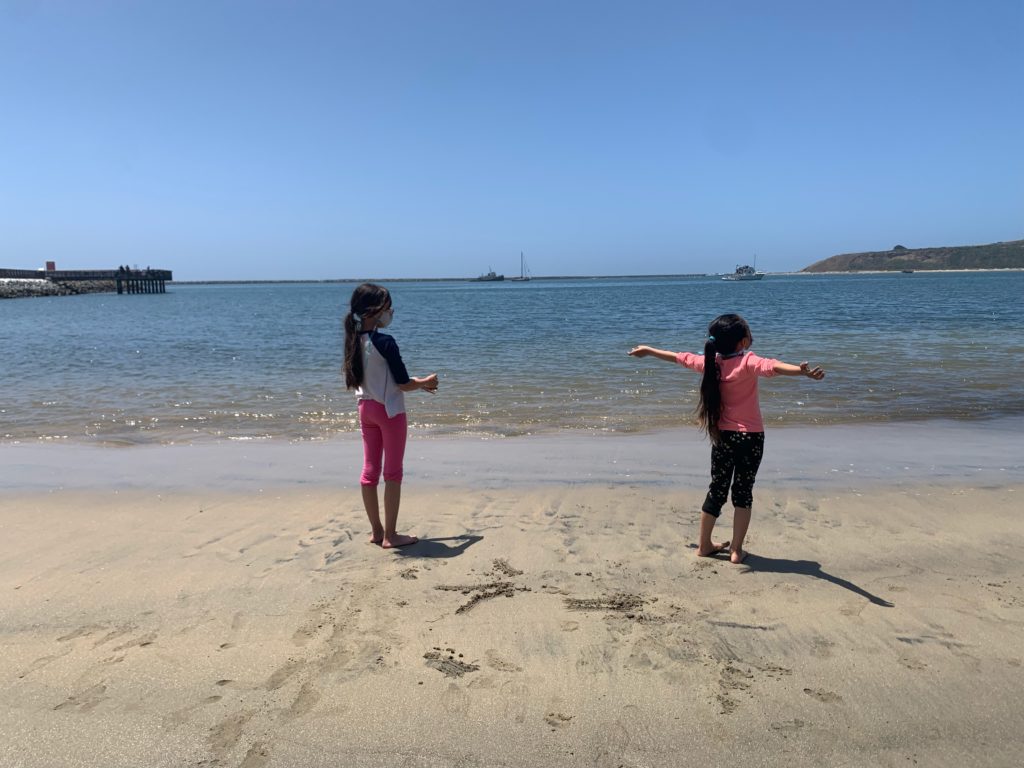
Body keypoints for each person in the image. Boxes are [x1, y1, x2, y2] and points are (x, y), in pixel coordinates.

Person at [628, 313, 825, 564]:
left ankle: (703, 545)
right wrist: (801, 372)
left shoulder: (710, 363)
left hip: (723, 437)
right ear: (742, 343)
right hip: (751, 438)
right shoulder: (747, 362)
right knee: (743, 492)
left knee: (717, 490)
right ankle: (736, 550)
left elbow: (679, 357)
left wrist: (648, 350)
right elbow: (772, 366)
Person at [343, 283, 439, 548]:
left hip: (365, 409)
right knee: (393, 472)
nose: (391, 312)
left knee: (369, 470)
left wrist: (418, 382)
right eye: (387, 307)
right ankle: (391, 535)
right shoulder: (385, 342)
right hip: (389, 410)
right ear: (375, 310)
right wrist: (425, 382)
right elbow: (402, 383)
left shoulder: (354, 339)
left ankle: (376, 530)